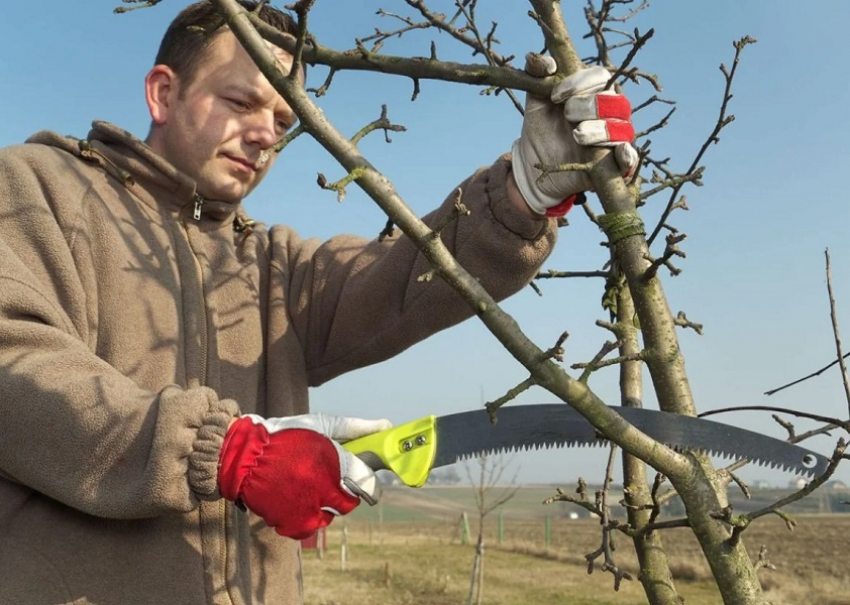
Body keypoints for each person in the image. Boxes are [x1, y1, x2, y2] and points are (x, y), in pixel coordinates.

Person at [0, 2, 634, 604]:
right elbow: (14, 363)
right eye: (241, 102)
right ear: (163, 93)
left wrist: (525, 189)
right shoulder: (34, 189)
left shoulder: (269, 263)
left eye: (282, 121)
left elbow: (402, 275)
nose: (263, 136)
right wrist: (223, 453)